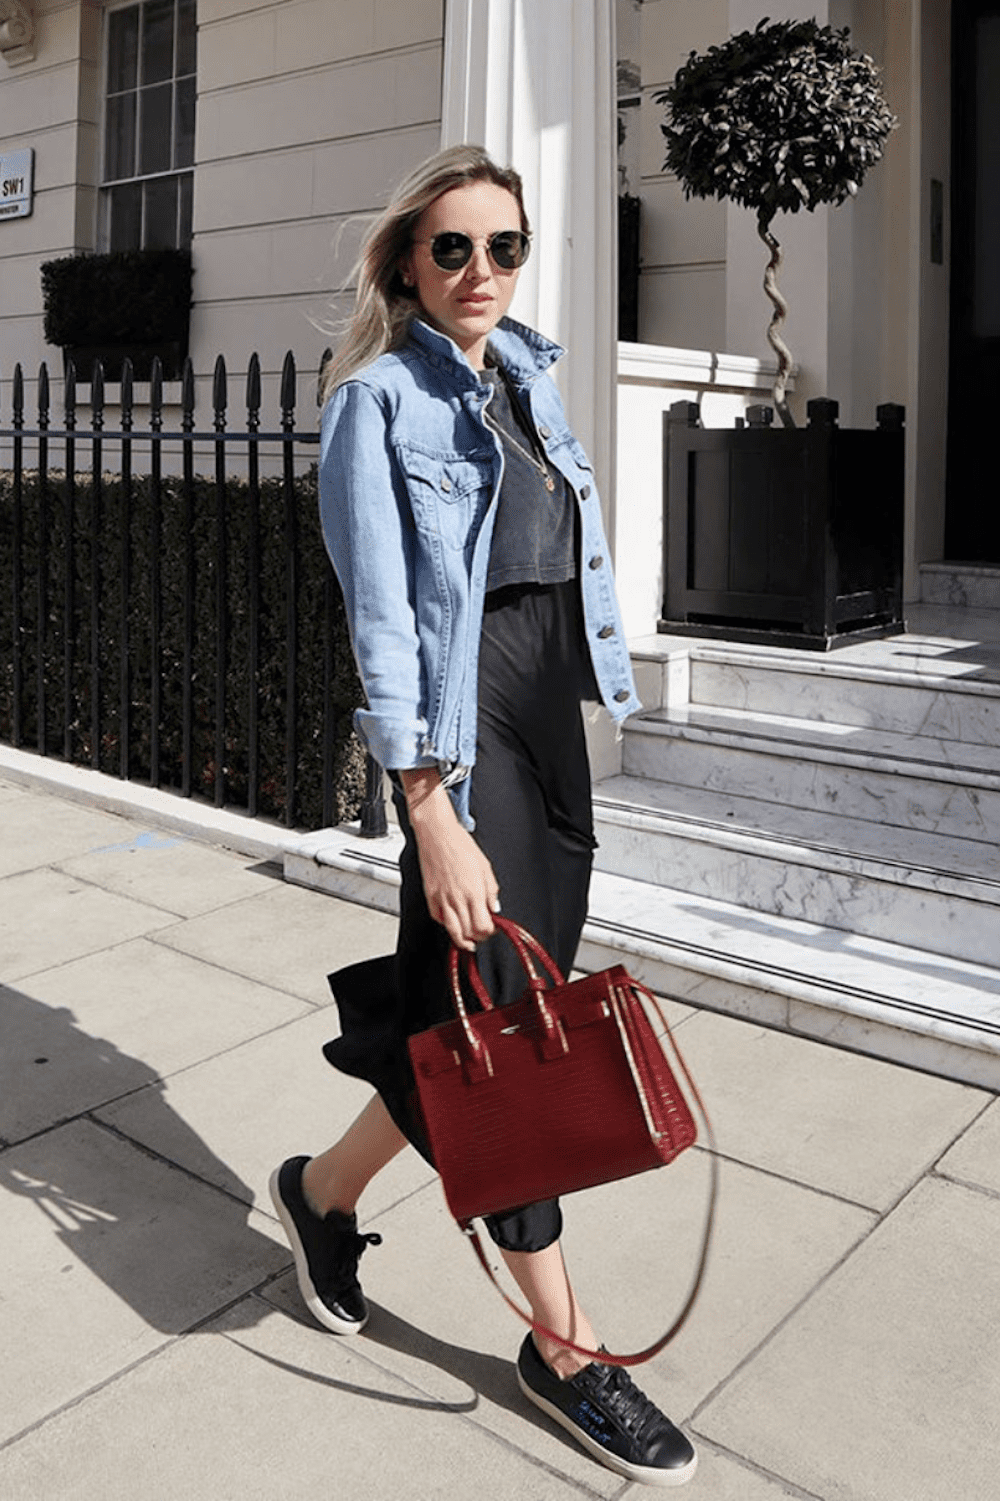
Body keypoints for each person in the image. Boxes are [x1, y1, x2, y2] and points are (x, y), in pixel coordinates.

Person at [269, 144, 697, 1488]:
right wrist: (429, 812)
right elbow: (385, 621)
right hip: (463, 746)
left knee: (481, 1023)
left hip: (546, 721)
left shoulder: (529, 376)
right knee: (511, 1039)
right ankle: (565, 1351)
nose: (479, 272)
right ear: (408, 261)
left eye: (502, 246)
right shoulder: (375, 402)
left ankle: (323, 1195)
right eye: (450, 248)